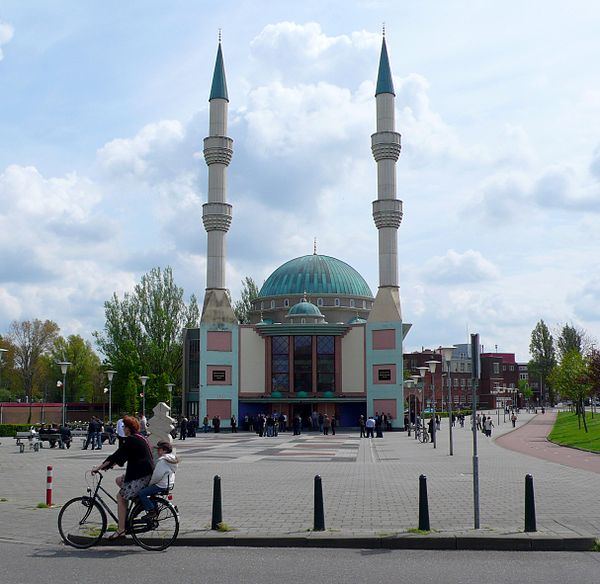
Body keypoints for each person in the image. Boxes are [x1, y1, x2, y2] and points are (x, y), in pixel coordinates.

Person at [92, 415, 154, 540]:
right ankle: (138, 503)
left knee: (120, 497)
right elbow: (121, 457)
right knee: (119, 480)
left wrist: (99, 467)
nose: (123, 429)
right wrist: (107, 466)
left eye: (124, 426)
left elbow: (117, 455)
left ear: (128, 428)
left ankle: (121, 530)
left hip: (141, 475)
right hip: (143, 473)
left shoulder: (131, 440)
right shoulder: (139, 437)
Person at [137, 441, 179, 518]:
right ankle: (154, 509)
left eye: (160, 449)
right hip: (169, 483)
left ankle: (151, 510)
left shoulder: (163, 461)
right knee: (151, 493)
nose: (158, 451)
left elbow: (157, 476)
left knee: (142, 493)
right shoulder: (172, 459)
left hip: (161, 484)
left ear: (165, 450)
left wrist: (150, 484)